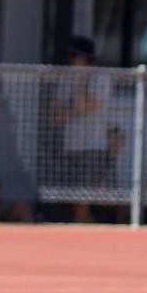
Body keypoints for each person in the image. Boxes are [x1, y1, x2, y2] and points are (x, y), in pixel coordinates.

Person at [52, 35, 111, 223]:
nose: (70, 61)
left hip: (92, 147)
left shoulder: (100, 79)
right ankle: (86, 226)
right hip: (71, 146)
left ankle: (80, 229)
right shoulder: (64, 80)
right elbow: (57, 116)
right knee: (72, 197)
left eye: (74, 57)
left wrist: (78, 82)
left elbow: (86, 105)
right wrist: (75, 109)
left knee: (84, 196)